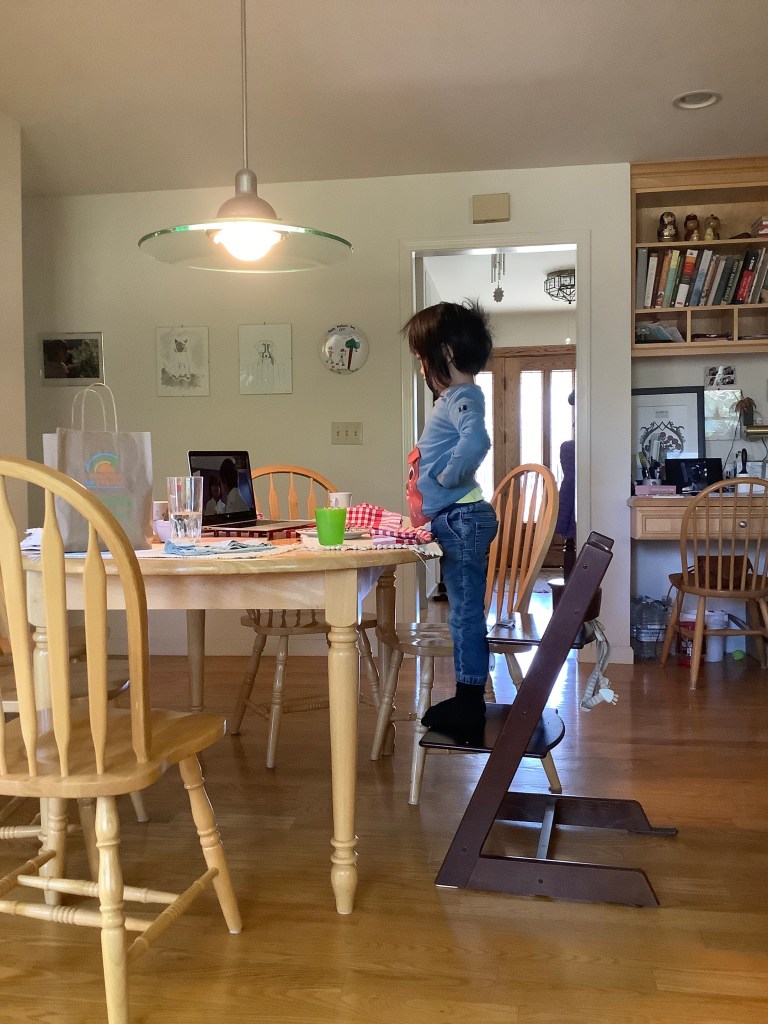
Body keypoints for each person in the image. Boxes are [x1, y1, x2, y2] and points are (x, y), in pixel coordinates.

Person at [403, 300, 498, 737]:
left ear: (443, 355)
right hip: (455, 518)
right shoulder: (456, 397)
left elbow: (476, 439)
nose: (421, 368)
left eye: (423, 358)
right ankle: (468, 696)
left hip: (461, 518)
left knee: (463, 615)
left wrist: (446, 475)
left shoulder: (460, 396)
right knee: (461, 610)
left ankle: (469, 703)